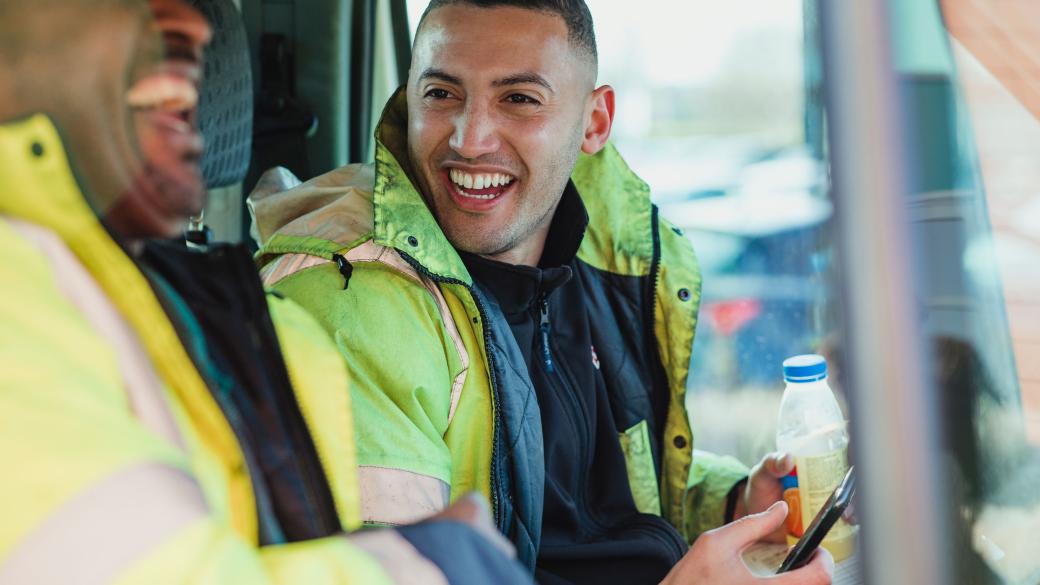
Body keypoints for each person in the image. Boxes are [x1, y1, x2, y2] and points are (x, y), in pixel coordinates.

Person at [248, 0, 833, 583]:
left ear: (594, 122)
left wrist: (730, 503)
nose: (470, 139)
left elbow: (592, 496)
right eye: (441, 94)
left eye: (519, 99)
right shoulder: (354, 302)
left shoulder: (596, 262)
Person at [0, 1, 529, 583]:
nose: (194, 24)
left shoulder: (234, 320)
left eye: (521, 98)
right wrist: (440, 560)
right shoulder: (17, 297)